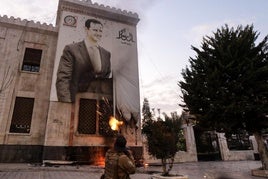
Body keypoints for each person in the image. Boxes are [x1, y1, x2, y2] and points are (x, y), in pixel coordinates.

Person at [56, 18, 111, 103]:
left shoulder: (106, 54)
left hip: (98, 105)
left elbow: (105, 78)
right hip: (76, 102)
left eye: (100, 31)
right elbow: (63, 78)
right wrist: (66, 104)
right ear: (86, 30)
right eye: (95, 30)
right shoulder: (71, 49)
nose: (98, 33)